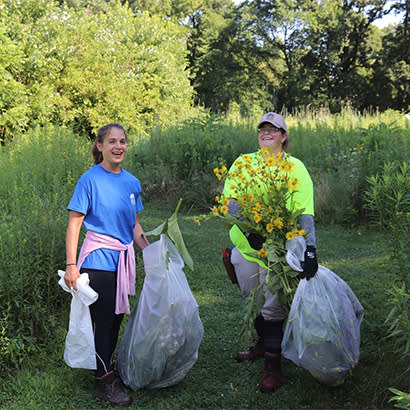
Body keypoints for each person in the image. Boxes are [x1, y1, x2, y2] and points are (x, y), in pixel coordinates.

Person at [222, 112, 318, 393]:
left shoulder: (295, 168)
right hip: (247, 246)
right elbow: (230, 202)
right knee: (252, 294)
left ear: (284, 136)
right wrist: (249, 229)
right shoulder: (244, 162)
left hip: (278, 248)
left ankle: (272, 367)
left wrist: (310, 249)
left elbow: (304, 212)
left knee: (272, 303)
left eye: (273, 130)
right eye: (262, 129)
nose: (266, 133)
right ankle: (264, 344)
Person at [64, 123, 149, 406]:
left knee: (116, 319)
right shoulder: (89, 180)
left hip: (123, 260)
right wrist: (72, 265)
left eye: (122, 141)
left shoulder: (132, 183)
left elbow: (134, 225)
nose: (119, 146)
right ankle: (103, 382)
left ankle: (106, 367)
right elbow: (75, 223)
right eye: (112, 141)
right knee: (103, 322)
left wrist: (149, 252)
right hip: (98, 259)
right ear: (99, 146)